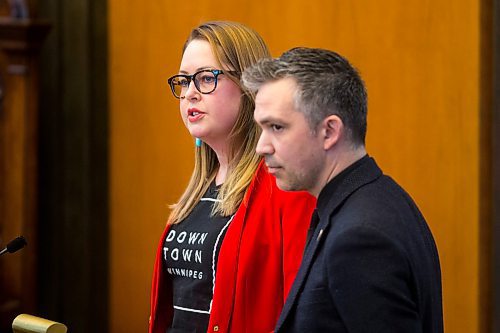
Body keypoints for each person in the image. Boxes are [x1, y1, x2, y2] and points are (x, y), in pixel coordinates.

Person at [241, 47, 444, 332]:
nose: (262, 146)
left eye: (277, 127)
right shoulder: (377, 199)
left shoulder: (361, 238)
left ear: (329, 132)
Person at [148, 22, 316, 333]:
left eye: (205, 78)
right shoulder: (199, 189)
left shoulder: (287, 187)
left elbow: (303, 309)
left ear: (249, 85)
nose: (190, 94)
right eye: (184, 82)